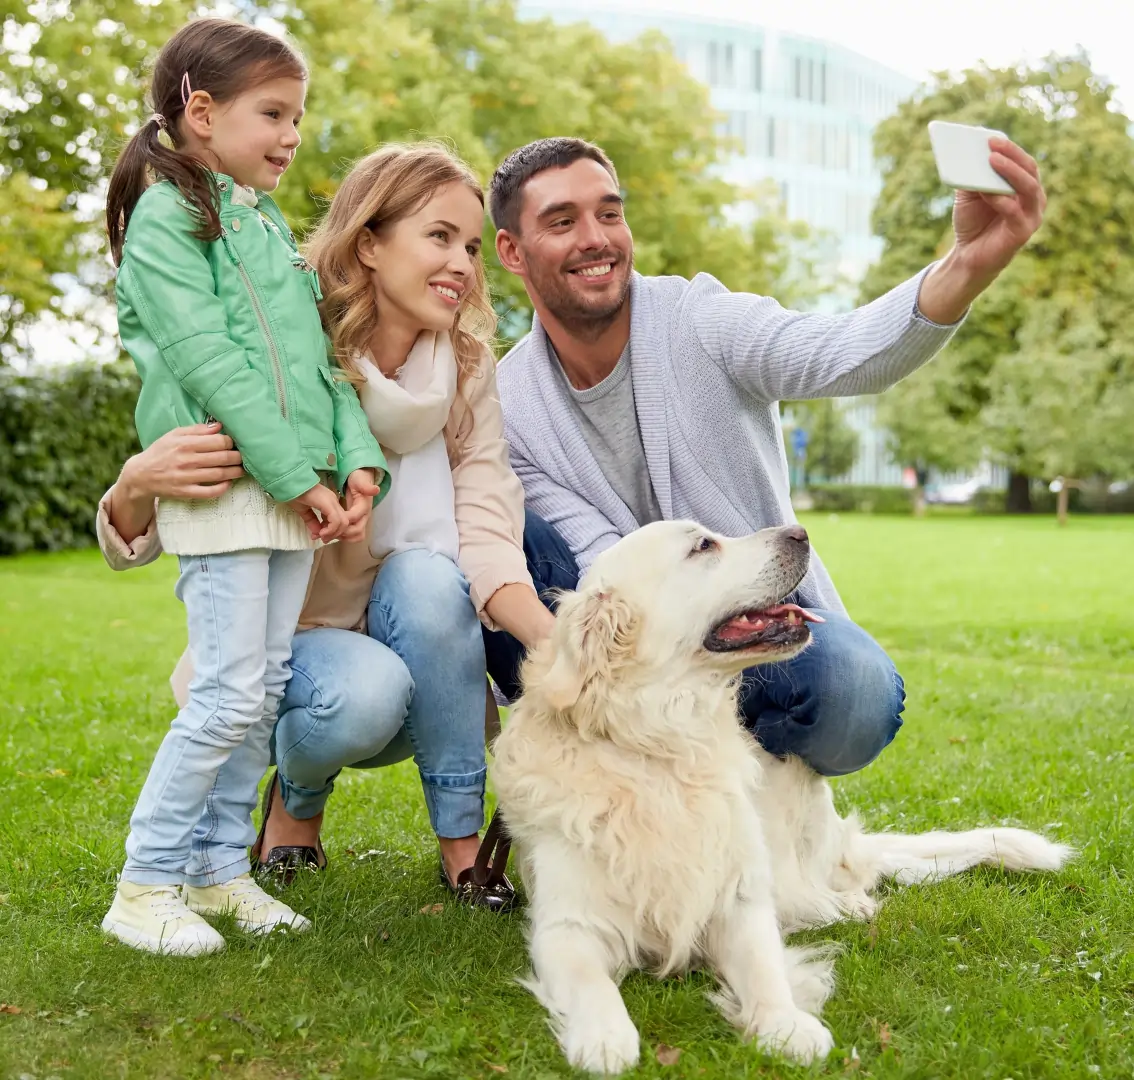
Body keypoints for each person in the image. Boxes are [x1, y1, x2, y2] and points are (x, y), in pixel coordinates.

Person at [481, 136, 1046, 777]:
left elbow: (841, 349)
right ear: (511, 251)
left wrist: (966, 265)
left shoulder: (699, 318)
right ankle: (614, 774)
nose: (596, 238)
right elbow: (601, 565)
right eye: (562, 221)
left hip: (758, 625)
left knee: (857, 691)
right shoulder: (513, 405)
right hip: (632, 652)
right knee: (502, 530)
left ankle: (730, 792)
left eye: (610, 213)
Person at [97, 142, 552, 913]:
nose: (463, 265)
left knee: (433, 575)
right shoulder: (291, 343)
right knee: (364, 693)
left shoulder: (466, 367)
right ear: (369, 243)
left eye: (472, 246)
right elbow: (205, 498)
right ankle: (293, 808)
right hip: (295, 646)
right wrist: (136, 483)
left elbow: (484, 514)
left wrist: (553, 645)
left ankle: (463, 850)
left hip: (417, 637)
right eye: (438, 237)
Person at [99, 18, 387, 956]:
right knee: (225, 695)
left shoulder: (265, 223)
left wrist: (355, 462)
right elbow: (212, 364)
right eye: (274, 113)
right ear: (202, 110)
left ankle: (221, 871)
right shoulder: (170, 217)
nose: (292, 135)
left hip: (284, 485)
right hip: (227, 480)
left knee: (260, 696)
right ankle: (145, 884)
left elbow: (324, 366)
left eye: (297, 116)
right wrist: (296, 476)